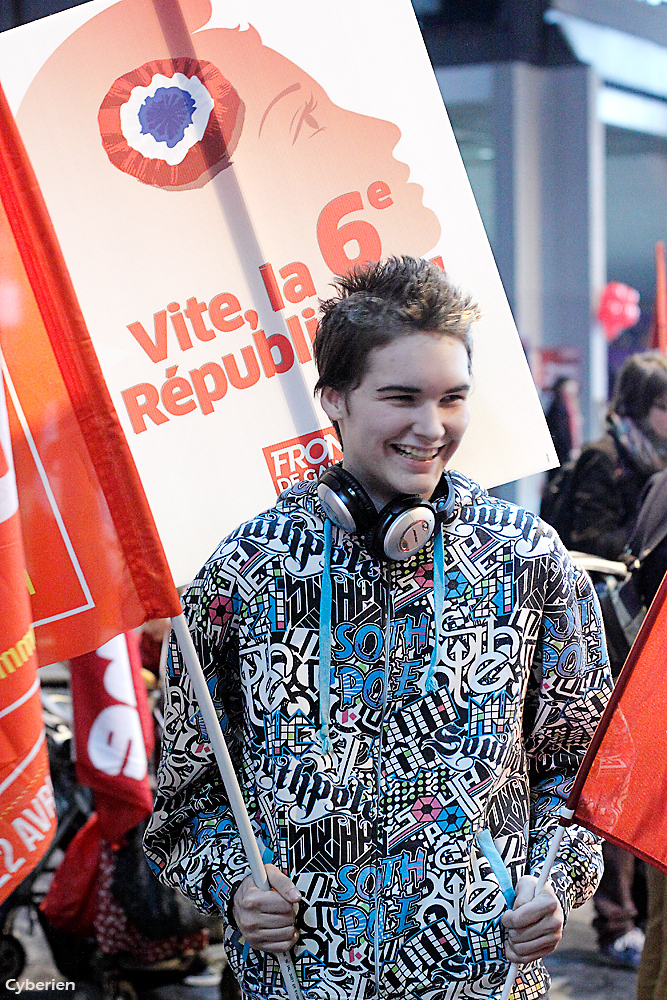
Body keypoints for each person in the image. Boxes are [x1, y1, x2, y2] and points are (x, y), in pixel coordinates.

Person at [145, 256, 611, 1000]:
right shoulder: (244, 569)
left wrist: (554, 883)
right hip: (301, 985)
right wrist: (235, 886)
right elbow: (184, 801)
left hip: (484, 986)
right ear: (333, 397)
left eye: (451, 399)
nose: (431, 428)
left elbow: (583, 774)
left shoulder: (529, 559)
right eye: (401, 398)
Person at [564, 352, 667, 970]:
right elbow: (580, 538)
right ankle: (613, 917)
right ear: (637, 406)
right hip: (611, 630)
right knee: (613, 776)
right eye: (661, 405)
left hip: (640, 632)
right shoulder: (606, 458)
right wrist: (634, 544)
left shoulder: (655, 464)